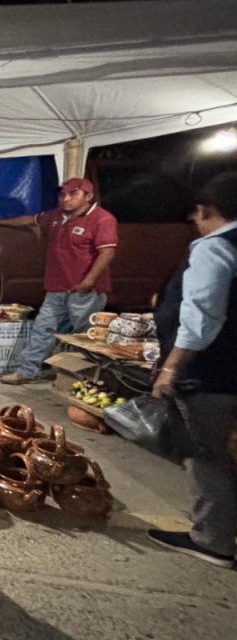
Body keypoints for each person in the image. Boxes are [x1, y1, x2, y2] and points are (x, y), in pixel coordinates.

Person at [148, 171, 237, 569]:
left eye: (197, 214)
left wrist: (171, 368)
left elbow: (202, 316)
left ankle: (212, 540)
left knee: (208, 457)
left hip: (214, 371)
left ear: (206, 211)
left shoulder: (214, 248)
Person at [0, 178, 119, 384]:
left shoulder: (102, 219)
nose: (66, 199)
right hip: (57, 287)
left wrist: (88, 282)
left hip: (85, 291)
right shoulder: (56, 216)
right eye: (63, 194)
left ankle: (79, 379)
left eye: (73, 194)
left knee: (83, 336)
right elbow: (29, 220)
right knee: (43, 328)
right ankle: (27, 371)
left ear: (88, 196)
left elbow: (107, 253)